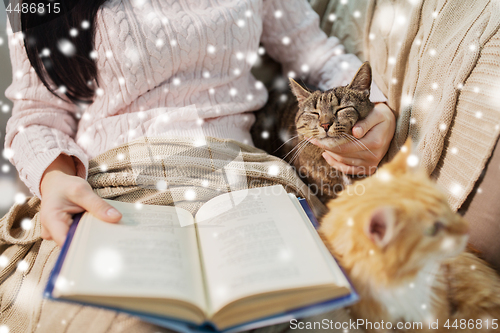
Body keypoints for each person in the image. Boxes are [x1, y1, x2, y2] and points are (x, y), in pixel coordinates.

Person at [5, 0, 394, 247]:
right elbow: (36, 115)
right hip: (114, 182)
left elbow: (320, 58)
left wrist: (375, 109)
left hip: (245, 175)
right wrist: (54, 178)